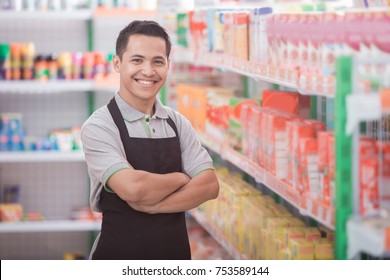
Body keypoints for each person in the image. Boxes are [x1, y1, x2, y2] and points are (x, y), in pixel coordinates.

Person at [80, 20, 219, 260]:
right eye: (137, 60)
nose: (148, 71)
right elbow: (134, 189)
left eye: (158, 61)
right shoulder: (100, 125)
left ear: (167, 65)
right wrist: (182, 177)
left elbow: (209, 185)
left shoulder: (178, 123)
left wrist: (154, 205)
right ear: (117, 63)